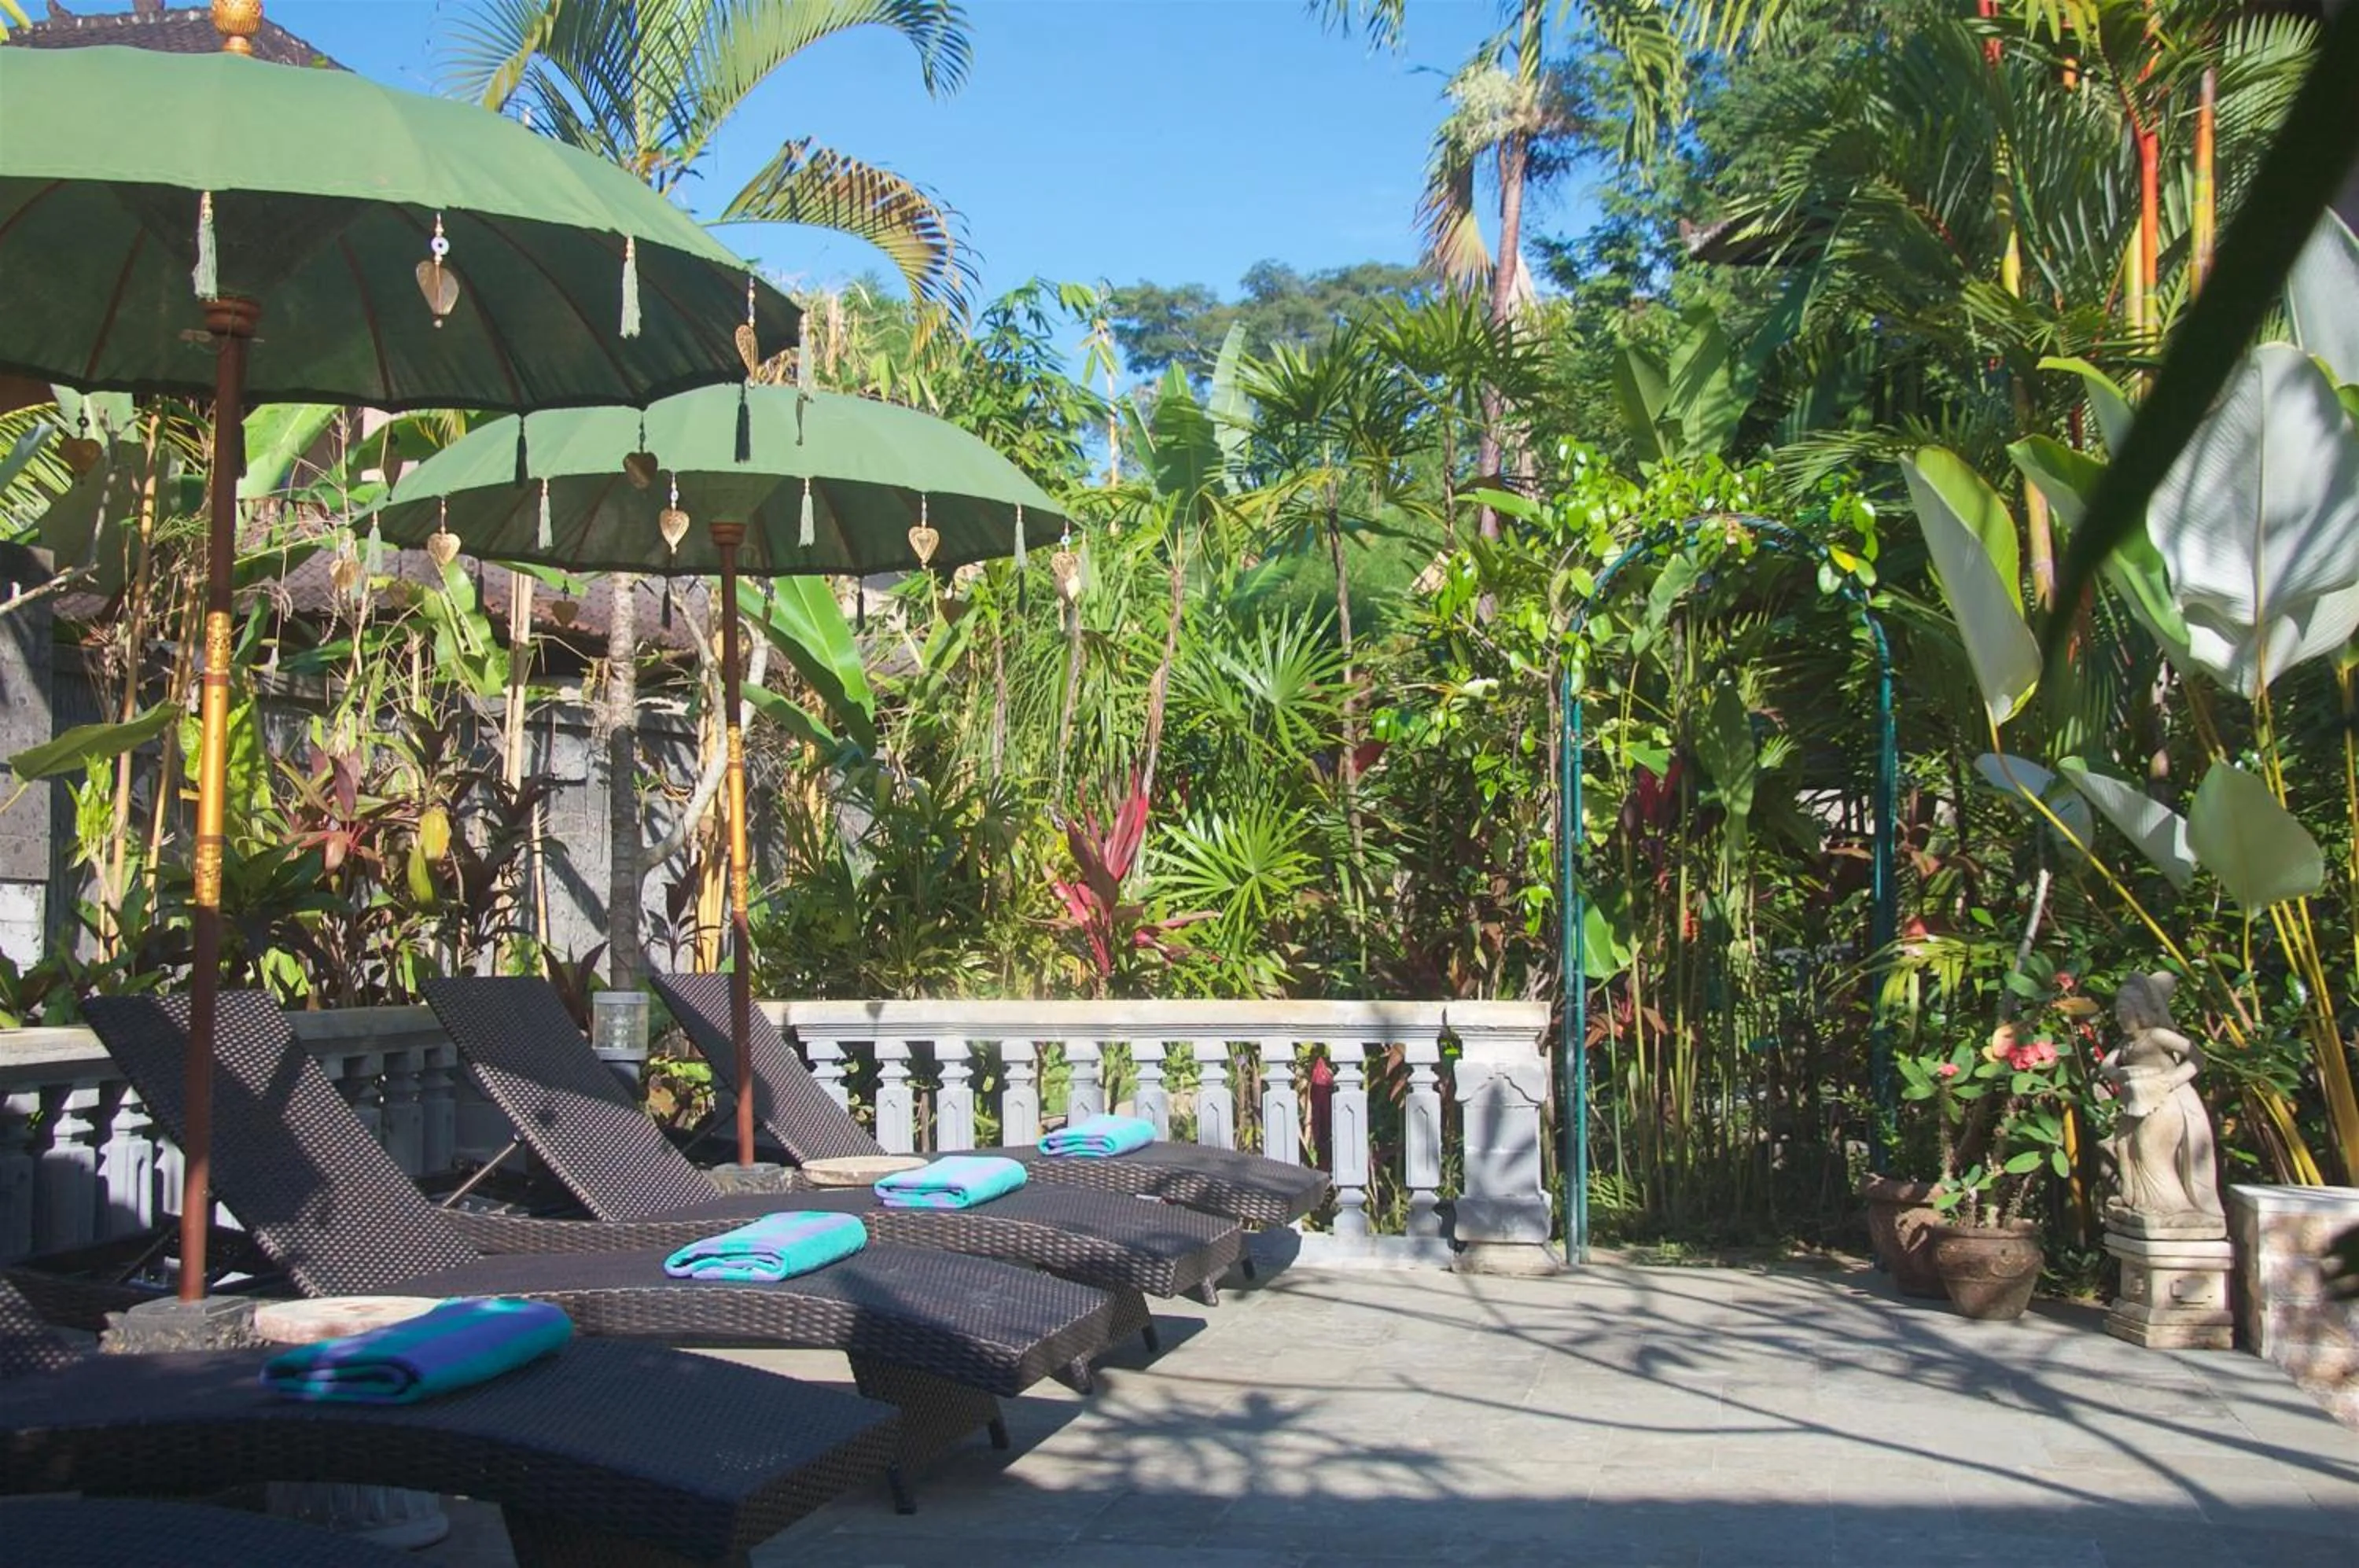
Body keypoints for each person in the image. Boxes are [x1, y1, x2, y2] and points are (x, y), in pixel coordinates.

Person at [2098, 972, 2225, 1226]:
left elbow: (2198, 1056)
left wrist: (2171, 1080)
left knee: (2149, 1147)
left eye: (2123, 1010)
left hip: (2166, 1101)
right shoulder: (2126, 1043)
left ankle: (2171, 1207)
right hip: (2138, 1100)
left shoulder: (2156, 1035)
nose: (2118, 1016)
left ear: (2138, 1011)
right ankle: (2135, 1198)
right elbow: (2106, 1065)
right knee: (2123, 1144)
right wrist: (2119, 1074)